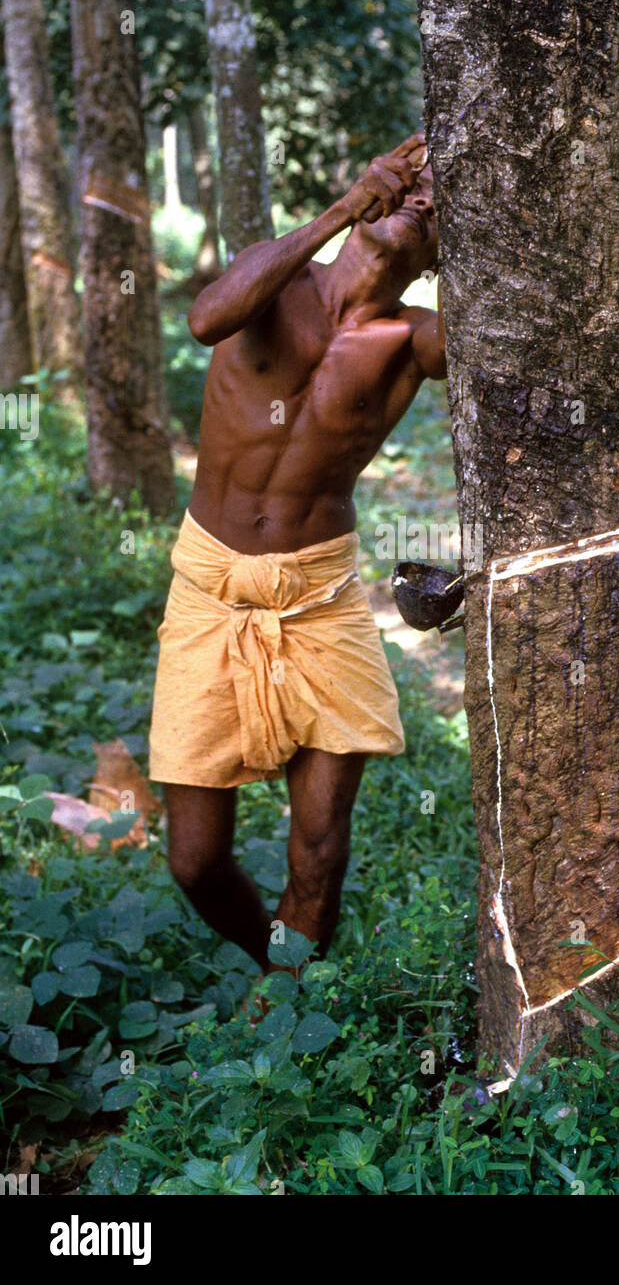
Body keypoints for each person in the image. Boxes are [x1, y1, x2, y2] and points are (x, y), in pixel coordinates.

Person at [148, 132, 445, 970]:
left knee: (318, 851)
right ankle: (265, 954)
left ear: (443, 253)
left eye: (440, 206)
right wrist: (343, 208)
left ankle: (287, 997)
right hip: (211, 590)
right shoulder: (276, 284)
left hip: (321, 600)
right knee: (195, 860)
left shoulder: (413, 341)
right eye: (414, 183)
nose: (421, 200)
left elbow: (521, 342)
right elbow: (208, 317)